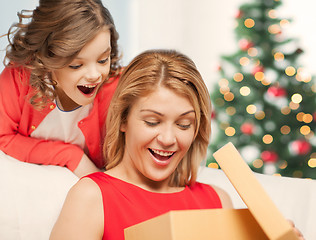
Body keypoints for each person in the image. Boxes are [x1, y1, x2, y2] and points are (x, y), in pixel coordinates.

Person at [50, 49, 232, 240]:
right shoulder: (91, 197)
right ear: (123, 119)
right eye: (152, 122)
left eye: (183, 124)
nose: (168, 139)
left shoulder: (218, 201)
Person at [0, 0, 122, 177]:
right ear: (46, 60)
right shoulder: (19, 76)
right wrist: (70, 156)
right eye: (76, 65)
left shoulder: (119, 90)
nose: (95, 75)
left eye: (103, 60)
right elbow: (2, 137)